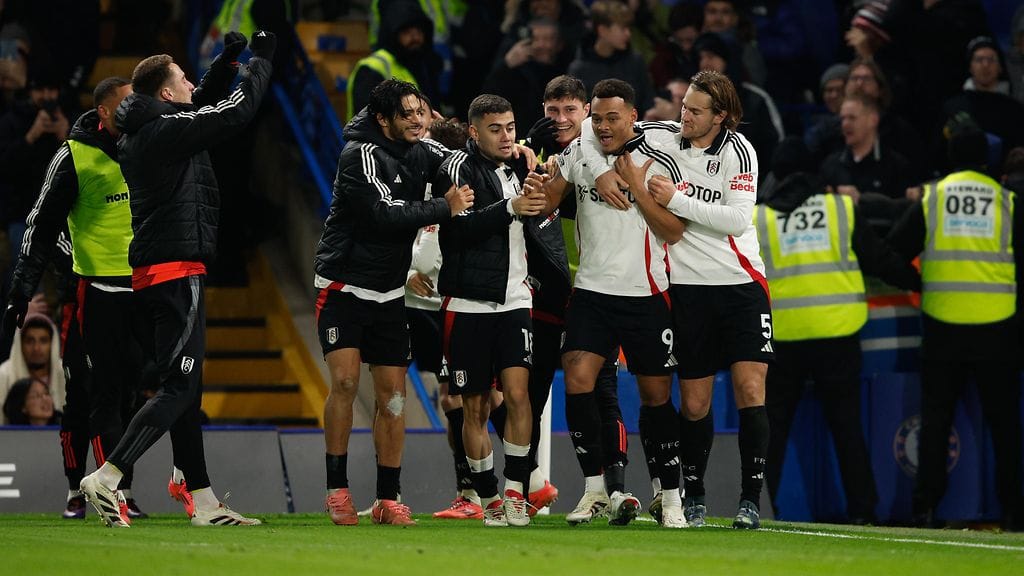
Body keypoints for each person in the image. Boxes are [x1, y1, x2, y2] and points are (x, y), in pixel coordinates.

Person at [77, 30, 276, 528]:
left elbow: (201, 102)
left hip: (161, 268)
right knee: (179, 387)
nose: (190, 84)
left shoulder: (152, 126)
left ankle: (204, 501)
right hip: (174, 268)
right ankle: (107, 477)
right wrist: (259, 63)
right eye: (183, 79)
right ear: (165, 93)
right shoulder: (164, 132)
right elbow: (232, 114)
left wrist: (228, 61)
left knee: (186, 389)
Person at [586, 70, 773, 529]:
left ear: (720, 116)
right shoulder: (661, 136)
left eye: (695, 111)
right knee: (693, 404)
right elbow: (601, 135)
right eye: (683, 106)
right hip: (687, 290)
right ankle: (696, 495)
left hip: (741, 284)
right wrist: (603, 170)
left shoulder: (737, 150)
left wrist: (677, 197)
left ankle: (751, 500)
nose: (683, 116)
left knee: (751, 391)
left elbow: (735, 219)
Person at [523, 78, 686, 528]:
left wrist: (635, 183)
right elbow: (546, 204)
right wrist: (539, 177)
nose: (604, 125)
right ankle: (594, 489)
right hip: (592, 293)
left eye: (613, 117)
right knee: (577, 378)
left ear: (633, 116)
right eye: (597, 118)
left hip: (647, 293)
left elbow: (674, 231)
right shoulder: (579, 155)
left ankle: (669, 494)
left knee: (656, 397)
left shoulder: (660, 156)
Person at [315, 79, 474, 527]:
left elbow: (463, 161)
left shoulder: (423, 148)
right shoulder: (359, 154)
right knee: (345, 384)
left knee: (396, 398)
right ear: (383, 119)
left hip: (388, 293)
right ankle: (337, 490)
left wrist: (511, 156)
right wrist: (445, 206)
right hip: (344, 286)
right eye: (407, 113)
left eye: (421, 111)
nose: (417, 120)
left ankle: (388, 497)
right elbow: (383, 215)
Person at [3, 75, 151, 522]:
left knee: (128, 396)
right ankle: (76, 489)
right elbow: (41, 227)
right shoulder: (72, 157)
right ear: (105, 112)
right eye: (126, 104)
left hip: (141, 293)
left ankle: (118, 489)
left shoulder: (148, 147)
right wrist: (21, 290)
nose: (135, 110)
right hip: (85, 297)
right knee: (86, 398)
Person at [753, 147, 921, 525]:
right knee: (846, 427)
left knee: (772, 432)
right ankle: (863, 511)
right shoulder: (840, 209)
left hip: (783, 336)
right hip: (837, 332)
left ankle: (760, 507)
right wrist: (918, 281)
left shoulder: (758, 217)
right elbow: (879, 259)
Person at [887, 126, 1024, 532]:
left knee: (936, 424)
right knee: (1005, 427)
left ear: (950, 156)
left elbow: (893, 250)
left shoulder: (934, 197)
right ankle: (1016, 513)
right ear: (987, 160)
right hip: (998, 328)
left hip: (943, 326)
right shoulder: (1008, 202)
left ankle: (925, 509)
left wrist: (919, 282)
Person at [432, 94, 546, 526]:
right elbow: (456, 229)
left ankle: (516, 491)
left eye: (511, 127)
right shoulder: (457, 169)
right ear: (473, 132)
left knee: (519, 395)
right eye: (495, 128)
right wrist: (509, 208)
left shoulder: (518, 165)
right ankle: (488, 496)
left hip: (516, 301)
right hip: (468, 304)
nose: (506, 136)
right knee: (475, 406)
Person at [346, 0, 441, 120]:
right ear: (393, 34)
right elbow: (368, 121)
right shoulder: (372, 69)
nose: (415, 38)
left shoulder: (424, 66)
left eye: (419, 32)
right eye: (407, 33)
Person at [568, 1, 656, 115]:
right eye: (622, 28)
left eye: (629, 28)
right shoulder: (579, 69)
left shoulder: (635, 62)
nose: (628, 34)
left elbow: (648, 102)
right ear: (603, 30)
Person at [0, 313, 63, 421]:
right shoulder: (4, 374)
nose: (36, 348)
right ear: (20, 344)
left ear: (52, 344)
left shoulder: (66, 373)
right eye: (30, 341)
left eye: (43, 341)